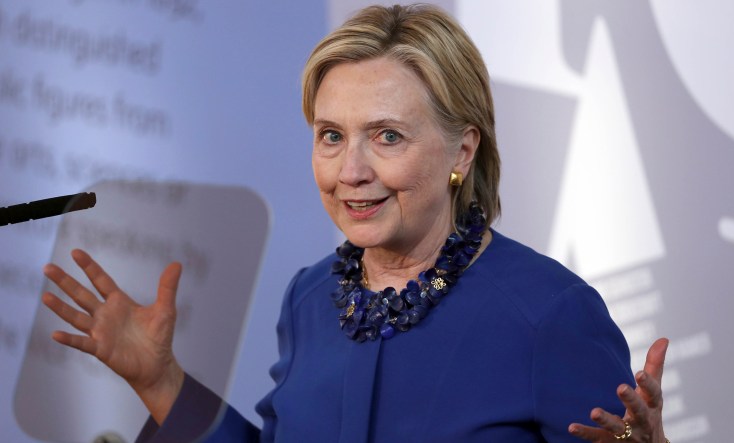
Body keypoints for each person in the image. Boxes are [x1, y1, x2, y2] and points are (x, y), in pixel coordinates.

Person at [41, 4, 669, 442]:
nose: (351, 170)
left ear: (462, 150)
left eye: (387, 136)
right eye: (331, 136)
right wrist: (161, 381)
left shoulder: (549, 313)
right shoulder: (311, 299)